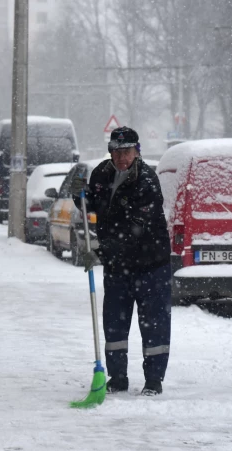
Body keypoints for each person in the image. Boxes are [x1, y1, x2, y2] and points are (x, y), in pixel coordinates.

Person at [71, 126, 172, 396]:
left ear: (137, 151)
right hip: (118, 268)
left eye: (127, 151)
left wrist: (101, 253)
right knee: (114, 322)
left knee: (154, 324)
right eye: (116, 152)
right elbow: (91, 205)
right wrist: (79, 194)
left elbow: (134, 231)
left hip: (151, 265)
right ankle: (117, 378)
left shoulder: (147, 181)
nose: (121, 157)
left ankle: (153, 380)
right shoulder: (102, 174)